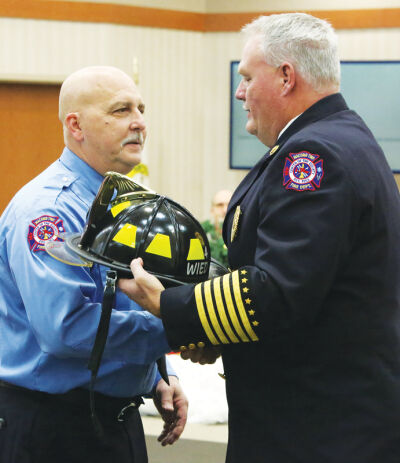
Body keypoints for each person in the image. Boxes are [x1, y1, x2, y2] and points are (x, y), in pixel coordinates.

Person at [119, 13, 400, 463]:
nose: (239, 91)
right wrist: (216, 333)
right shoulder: (343, 137)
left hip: (316, 431)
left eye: (247, 77)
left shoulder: (313, 155)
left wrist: (167, 303)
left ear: (286, 76)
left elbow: (277, 291)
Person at [0, 66, 188, 463]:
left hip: (114, 420)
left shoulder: (128, 204)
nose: (139, 122)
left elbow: (127, 300)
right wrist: (177, 326)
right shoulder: (49, 212)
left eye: (141, 108)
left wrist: (157, 377)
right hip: (54, 429)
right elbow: (66, 329)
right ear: (76, 125)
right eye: (121, 111)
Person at [202, 189, 232, 267]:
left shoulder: (243, 235)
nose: (225, 210)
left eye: (230, 204)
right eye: (220, 205)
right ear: (212, 210)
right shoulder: (202, 235)